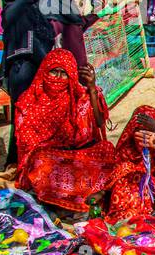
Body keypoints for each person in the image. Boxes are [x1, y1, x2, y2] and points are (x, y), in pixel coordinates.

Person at [13, 49, 116, 213]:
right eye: (54, 71)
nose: (58, 78)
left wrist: (91, 89)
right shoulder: (29, 101)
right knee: (40, 161)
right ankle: (59, 200)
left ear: (72, 76)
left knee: (108, 150)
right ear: (45, 71)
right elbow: (27, 147)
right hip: (49, 158)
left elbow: (98, 122)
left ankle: (86, 197)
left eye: (64, 73)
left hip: (79, 155)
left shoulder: (80, 96)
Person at [0, 0, 49, 170]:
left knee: (26, 120)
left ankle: (22, 163)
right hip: (26, 72)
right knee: (26, 120)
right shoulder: (22, 9)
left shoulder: (22, 6)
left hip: (26, 70)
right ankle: (22, 165)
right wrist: (52, 63)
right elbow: (32, 44)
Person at [106, 105, 155, 222]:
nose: (144, 137)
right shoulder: (128, 149)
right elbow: (115, 175)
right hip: (133, 201)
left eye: (149, 131)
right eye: (139, 131)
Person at [38, 0, 99, 69]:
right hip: (61, 74)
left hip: (75, 71)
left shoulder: (66, 4)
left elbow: (78, 25)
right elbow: (51, 44)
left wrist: (97, 13)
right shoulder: (51, 7)